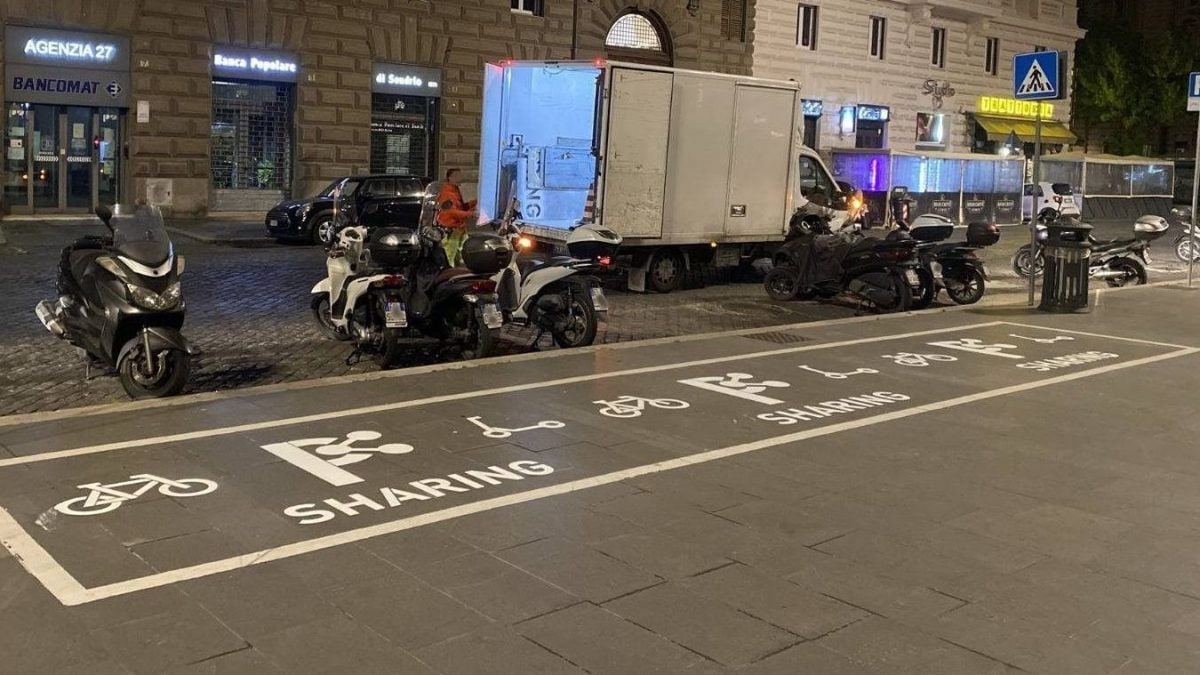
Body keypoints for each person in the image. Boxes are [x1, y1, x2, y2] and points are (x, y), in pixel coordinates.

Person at [436, 169, 477, 267]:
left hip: (459, 229)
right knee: (450, 256)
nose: (459, 178)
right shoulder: (446, 193)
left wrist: (475, 202)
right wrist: (470, 214)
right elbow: (451, 212)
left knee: (459, 256)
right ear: (449, 178)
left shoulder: (455, 191)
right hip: (451, 230)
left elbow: (461, 207)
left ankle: (457, 271)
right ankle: (449, 273)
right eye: (456, 176)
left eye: (460, 176)